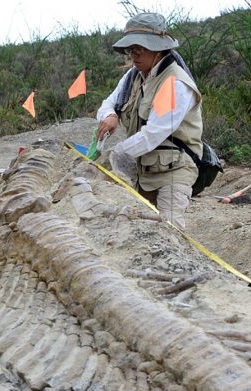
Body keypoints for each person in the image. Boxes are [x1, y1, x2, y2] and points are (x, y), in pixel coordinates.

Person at [96, 12, 205, 229]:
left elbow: (153, 133)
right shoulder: (133, 76)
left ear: (158, 48)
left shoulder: (175, 83)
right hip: (141, 171)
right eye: (130, 50)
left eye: (140, 49)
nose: (134, 56)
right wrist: (110, 115)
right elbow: (108, 102)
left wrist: (115, 154)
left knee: (170, 231)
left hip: (174, 172)